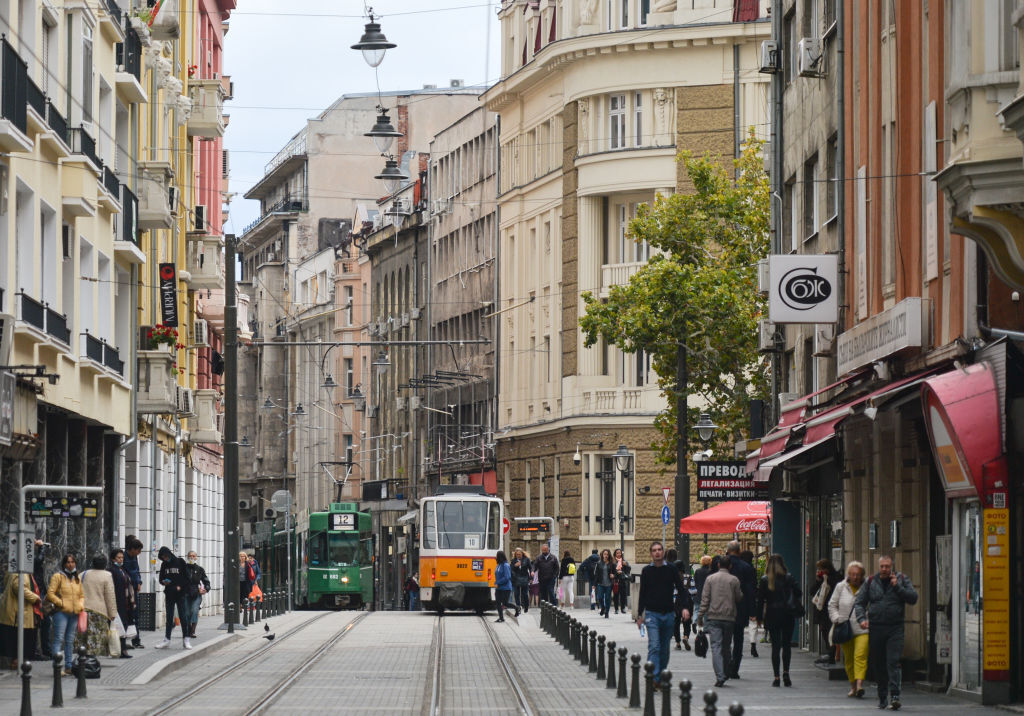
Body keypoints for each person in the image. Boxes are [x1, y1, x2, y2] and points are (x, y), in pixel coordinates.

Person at [854, 555, 918, 711]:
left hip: (895, 628)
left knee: (893, 661)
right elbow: (859, 603)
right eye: (882, 566)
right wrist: (862, 618)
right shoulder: (870, 582)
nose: (884, 569)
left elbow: (913, 598)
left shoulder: (902, 579)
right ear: (878, 566)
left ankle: (895, 696)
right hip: (876, 627)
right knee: (879, 663)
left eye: (887, 566)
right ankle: (882, 696)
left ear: (892, 567)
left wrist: (898, 588)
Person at [636, 541, 691, 688]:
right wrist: (639, 615)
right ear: (651, 553)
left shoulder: (671, 569)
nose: (657, 552)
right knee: (654, 646)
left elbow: (681, 589)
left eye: (659, 550)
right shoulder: (647, 571)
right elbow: (643, 593)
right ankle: (653, 678)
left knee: (664, 649)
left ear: (663, 552)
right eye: (654, 550)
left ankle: (658, 676)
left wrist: (685, 607)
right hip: (652, 614)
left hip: (668, 615)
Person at [697, 554, 742, 688]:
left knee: (716, 647)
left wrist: (700, 616)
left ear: (717, 565)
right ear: (730, 566)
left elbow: (704, 599)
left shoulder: (710, 579)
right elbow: (739, 598)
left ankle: (720, 675)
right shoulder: (734, 580)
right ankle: (726, 671)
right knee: (726, 646)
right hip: (729, 618)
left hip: (713, 617)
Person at [756, 553, 800, 688]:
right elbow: (799, 593)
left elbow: (760, 600)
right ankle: (786, 673)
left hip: (772, 614)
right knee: (786, 644)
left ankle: (776, 677)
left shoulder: (764, 580)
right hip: (787, 614)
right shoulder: (789, 578)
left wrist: (759, 617)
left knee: (775, 646)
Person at [828, 560, 869, 699]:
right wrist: (837, 618)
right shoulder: (841, 587)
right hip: (845, 627)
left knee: (860, 656)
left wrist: (869, 619)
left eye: (858, 574)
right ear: (848, 575)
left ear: (862, 575)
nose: (855, 577)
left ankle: (859, 685)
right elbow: (832, 605)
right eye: (852, 574)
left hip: (862, 628)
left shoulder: (867, 587)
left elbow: (873, 605)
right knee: (849, 659)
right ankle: (852, 686)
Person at [46, 553, 84, 675]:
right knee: (58, 639)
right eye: (68, 562)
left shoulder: (77, 577)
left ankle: (68, 666)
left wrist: (81, 605)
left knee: (70, 640)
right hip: (61, 612)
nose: (70, 564)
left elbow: (82, 595)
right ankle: (57, 667)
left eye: (73, 562)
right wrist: (61, 603)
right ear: (64, 564)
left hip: (74, 612)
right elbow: (50, 593)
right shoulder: (58, 576)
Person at [725, 541, 756, 679]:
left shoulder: (721, 564)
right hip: (740, 607)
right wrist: (753, 612)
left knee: (724, 639)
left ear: (728, 550)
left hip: (722, 607)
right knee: (738, 638)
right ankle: (734, 667)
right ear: (739, 551)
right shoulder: (747, 568)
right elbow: (750, 591)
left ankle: (724, 666)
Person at [79, 555, 118, 657]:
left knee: (84, 635)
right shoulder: (107, 575)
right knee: (96, 636)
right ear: (105, 564)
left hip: (83, 610)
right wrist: (112, 613)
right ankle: (92, 658)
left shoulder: (83, 574)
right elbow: (110, 595)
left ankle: (83, 656)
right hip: (99, 611)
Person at [0, 571, 41, 668]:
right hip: (18, 612)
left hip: (23, 611)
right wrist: (35, 598)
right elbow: (18, 587)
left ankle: (18, 661)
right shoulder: (18, 571)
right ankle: (16, 662)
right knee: (18, 638)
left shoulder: (25, 572)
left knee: (23, 637)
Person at [155, 547, 192, 650]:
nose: (165, 558)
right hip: (169, 593)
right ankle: (167, 639)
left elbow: (187, 577)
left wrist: (180, 586)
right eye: (163, 557)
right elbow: (161, 579)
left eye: (166, 556)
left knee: (183, 617)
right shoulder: (164, 565)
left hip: (181, 594)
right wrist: (164, 582)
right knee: (169, 617)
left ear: (169, 554)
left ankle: (186, 638)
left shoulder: (180, 562)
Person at [811, 557, 841, 664]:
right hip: (822, 610)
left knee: (831, 633)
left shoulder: (835, 578)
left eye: (821, 569)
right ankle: (830, 653)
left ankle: (832, 654)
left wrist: (826, 580)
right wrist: (819, 581)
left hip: (830, 609)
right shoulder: (821, 579)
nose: (820, 571)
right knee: (824, 631)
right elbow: (812, 592)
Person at [108, 548, 135, 659]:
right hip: (117, 602)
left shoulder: (122, 570)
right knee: (119, 627)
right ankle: (122, 650)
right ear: (113, 558)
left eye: (122, 558)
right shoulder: (111, 571)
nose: (120, 560)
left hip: (125, 602)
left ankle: (122, 649)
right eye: (118, 558)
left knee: (123, 625)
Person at [667, 549, 693, 651]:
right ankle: (685, 637)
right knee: (687, 622)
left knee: (676, 623)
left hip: (675, 603)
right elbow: (694, 591)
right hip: (686, 602)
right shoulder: (688, 577)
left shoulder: (671, 578)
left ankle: (678, 643)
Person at [123, 537, 145, 649]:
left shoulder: (134, 557)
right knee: (126, 614)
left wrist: (139, 581)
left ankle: (136, 640)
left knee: (135, 614)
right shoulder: (124, 557)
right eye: (138, 550)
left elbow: (137, 570)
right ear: (132, 549)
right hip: (126, 590)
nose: (139, 553)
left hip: (135, 589)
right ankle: (125, 640)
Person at [739, 550, 761, 657]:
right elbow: (754, 584)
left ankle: (740, 646)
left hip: (740, 599)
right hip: (751, 598)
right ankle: (753, 644)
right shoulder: (752, 569)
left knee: (740, 624)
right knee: (753, 621)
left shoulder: (738, 568)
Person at [185, 551, 211, 639]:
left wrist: (206, 589)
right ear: (187, 557)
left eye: (193, 556)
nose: (191, 558)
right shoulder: (184, 568)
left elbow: (206, 581)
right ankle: (188, 630)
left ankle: (192, 631)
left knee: (194, 611)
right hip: (186, 593)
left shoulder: (200, 569)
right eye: (190, 556)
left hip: (196, 593)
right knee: (187, 613)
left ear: (196, 557)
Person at [33, 539, 51, 658]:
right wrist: (41, 548)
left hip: (40, 591)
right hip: (35, 593)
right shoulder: (27, 560)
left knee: (45, 622)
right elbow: (38, 561)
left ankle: (45, 650)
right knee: (37, 623)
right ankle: (37, 651)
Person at [692, 554, 713, 625]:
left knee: (697, 609)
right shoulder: (711, 571)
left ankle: (694, 621)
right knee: (707, 611)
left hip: (698, 593)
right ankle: (706, 627)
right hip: (707, 594)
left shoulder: (697, 571)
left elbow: (695, 582)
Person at [510, 548, 531, 615]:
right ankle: (518, 607)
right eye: (517, 554)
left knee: (524, 594)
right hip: (516, 579)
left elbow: (530, 568)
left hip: (524, 578)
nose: (518, 556)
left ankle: (526, 606)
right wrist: (515, 566)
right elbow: (510, 569)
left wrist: (531, 577)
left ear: (522, 554)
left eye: (519, 554)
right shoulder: (513, 561)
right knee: (516, 594)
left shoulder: (526, 560)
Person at [593, 549, 614, 617]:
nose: (606, 555)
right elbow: (596, 574)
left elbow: (616, 573)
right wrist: (594, 584)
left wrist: (614, 575)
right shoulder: (599, 563)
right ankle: (603, 608)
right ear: (602, 555)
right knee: (600, 597)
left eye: (607, 554)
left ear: (609, 555)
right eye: (604, 554)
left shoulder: (612, 564)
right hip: (600, 584)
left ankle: (607, 612)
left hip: (609, 584)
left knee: (608, 598)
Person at [611, 547, 632, 615]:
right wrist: (616, 573)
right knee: (616, 596)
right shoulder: (613, 562)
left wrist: (627, 565)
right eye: (617, 553)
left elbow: (628, 570)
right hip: (616, 581)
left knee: (623, 595)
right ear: (615, 554)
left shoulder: (624, 561)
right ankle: (616, 609)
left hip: (623, 580)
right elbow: (611, 571)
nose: (619, 554)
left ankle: (623, 608)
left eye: (619, 553)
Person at [494, 551, 513, 622]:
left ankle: (516, 607)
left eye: (497, 556)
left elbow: (507, 577)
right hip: (499, 588)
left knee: (505, 603)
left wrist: (498, 583)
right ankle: (501, 617)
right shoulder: (498, 565)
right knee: (498, 603)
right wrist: (496, 583)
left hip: (506, 588)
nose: (496, 557)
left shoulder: (506, 565)